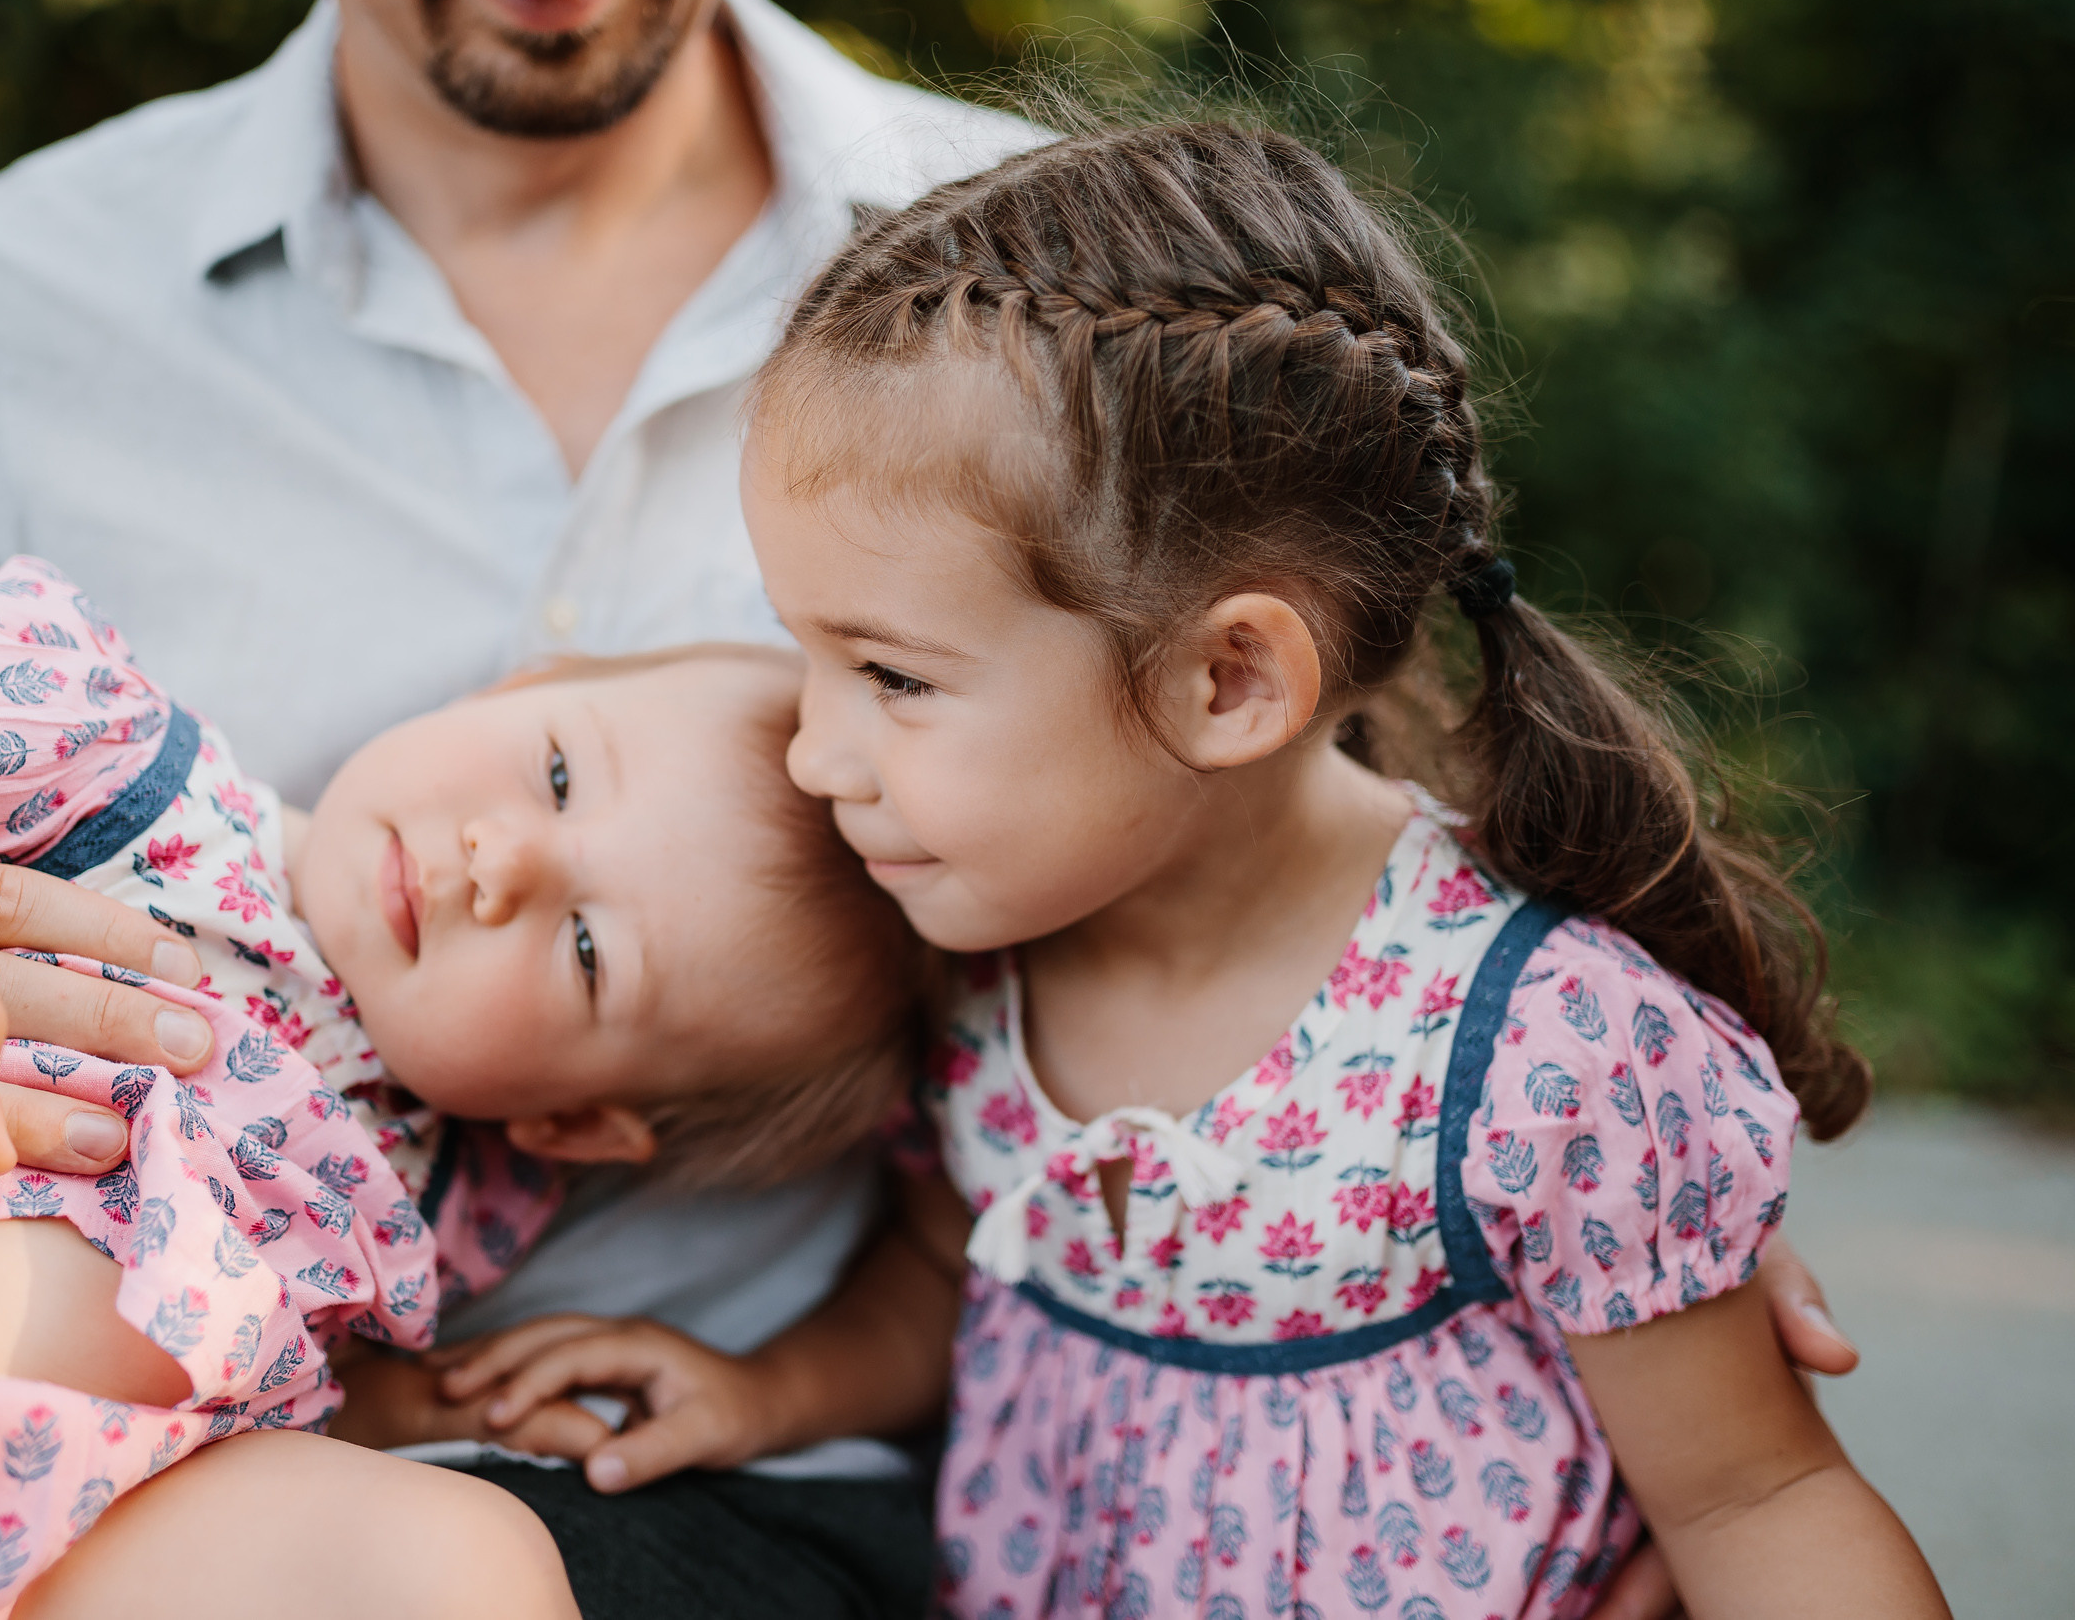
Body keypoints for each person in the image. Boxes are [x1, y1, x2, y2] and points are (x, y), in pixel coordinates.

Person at [0, 0, 1858, 1611]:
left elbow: (1292, 851)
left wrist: (1559, 1273)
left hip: (685, 1485)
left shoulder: (1044, 292)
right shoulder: (7, 305)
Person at [728, 119, 1942, 1617]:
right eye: (805, 655)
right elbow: (951, 1270)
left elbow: (1758, 1498)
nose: (811, 754)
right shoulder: (972, 968)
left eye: (891, 678)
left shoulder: (1536, 1053)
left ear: (1230, 681)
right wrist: (759, 1397)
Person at [0, 556, 919, 1619]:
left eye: (590, 947)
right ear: (518, 692)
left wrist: (412, 1419)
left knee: (464, 1565)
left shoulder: (432, 1203)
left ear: (574, 1122)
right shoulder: (121, 777)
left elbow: (276, 1394)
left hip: (37, 1543)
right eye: (557, 774)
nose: (507, 863)